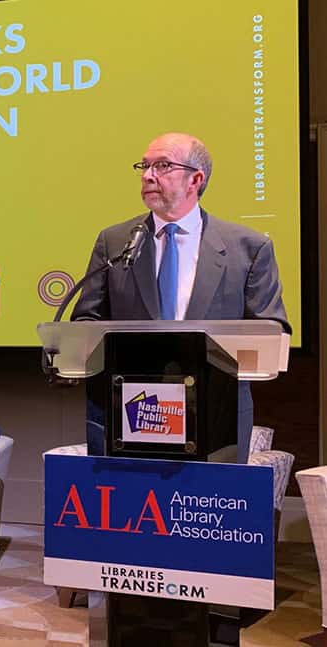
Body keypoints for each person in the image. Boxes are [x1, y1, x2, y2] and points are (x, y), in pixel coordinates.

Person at [71, 132, 291, 460]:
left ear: (196, 179)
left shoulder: (248, 248)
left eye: (162, 166)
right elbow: (86, 320)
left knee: (208, 507)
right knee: (135, 507)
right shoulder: (115, 241)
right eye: (144, 166)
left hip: (216, 415)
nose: (147, 175)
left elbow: (271, 329)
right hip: (133, 407)